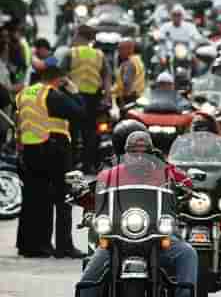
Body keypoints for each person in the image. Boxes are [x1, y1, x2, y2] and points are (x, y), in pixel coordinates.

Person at [78, 131, 198, 297]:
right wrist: (82, 191)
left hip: (159, 234)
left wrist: (179, 180)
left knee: (187, 253)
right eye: (134, 152)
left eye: (144, 152)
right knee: (88, 280)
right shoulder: (111, 174)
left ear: (152, 153)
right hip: (116, 237)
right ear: (125, 153)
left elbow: (186, 183)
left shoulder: (163, 171)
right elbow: (94, 191)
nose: (139, 156)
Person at [16, 57, 85, 258]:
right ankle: (64, 246)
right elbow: (79, 113)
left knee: (33, 199)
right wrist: (75, 92)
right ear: (58, 80)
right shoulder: (52, 95)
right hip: (53, 149)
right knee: (64, 197)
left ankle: (31, 245)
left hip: (29, 150)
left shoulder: (25, 94)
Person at [60, 25, 112, 174]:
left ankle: (70, 165)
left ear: (79, 36)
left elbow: (60, 74)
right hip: (93, 98)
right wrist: (107, 96)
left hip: (73, 97)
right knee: (90, 132)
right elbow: (107, 76)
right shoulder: (99, 55)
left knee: (71, 131)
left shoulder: (72, 53)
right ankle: (88, 165)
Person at [113, 38, 146, 108]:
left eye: (121, 49)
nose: (119, 52)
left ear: (130, 49)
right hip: (137, 97)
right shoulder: (138, 61)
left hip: (127, 99)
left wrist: (122, 102)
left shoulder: (129, 63)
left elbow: (126, 83)